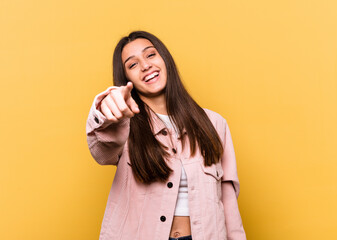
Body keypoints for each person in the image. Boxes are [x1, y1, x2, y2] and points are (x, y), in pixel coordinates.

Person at [86, 31, 246, 240]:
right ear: (127, 79)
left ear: (164, 59)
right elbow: (102, 149)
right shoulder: (123, 126)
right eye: (132, 65)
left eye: (151, 55)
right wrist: (107, 111)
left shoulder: (214, 124)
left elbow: (228, 202)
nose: (145, 66)